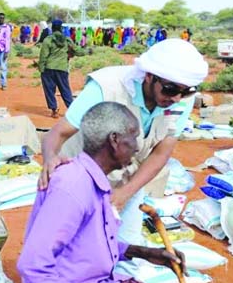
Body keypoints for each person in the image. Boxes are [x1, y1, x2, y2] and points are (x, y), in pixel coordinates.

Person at [19, 101, 196, 283]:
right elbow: (33, 264)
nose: (137, 146)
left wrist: (141, 252)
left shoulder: (92, 179)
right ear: (114, 141)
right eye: (133, 137)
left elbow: (87, 246)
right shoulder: (73, 185)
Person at [39, 39, 208, 245]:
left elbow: (161, 153)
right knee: (67, 247)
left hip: (127, 181)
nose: (177, 98)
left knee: (125, 249)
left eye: (187, 91)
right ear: (149, 76)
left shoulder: (180, 99)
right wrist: (49, 159)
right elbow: (58, 133)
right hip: (78, 181)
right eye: (170, 90)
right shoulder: (107, 87)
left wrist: (124, 194)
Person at [38, 19, 81, 118]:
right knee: (65, 89)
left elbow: (43, 56)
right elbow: (76, 51)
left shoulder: (48, 40)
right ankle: (72, 110)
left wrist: (41, 68)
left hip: (49, 68)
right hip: (62, 68)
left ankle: (54, 110)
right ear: (61, 28)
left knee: (49, 90)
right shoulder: (67, 40)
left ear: (52, 28)